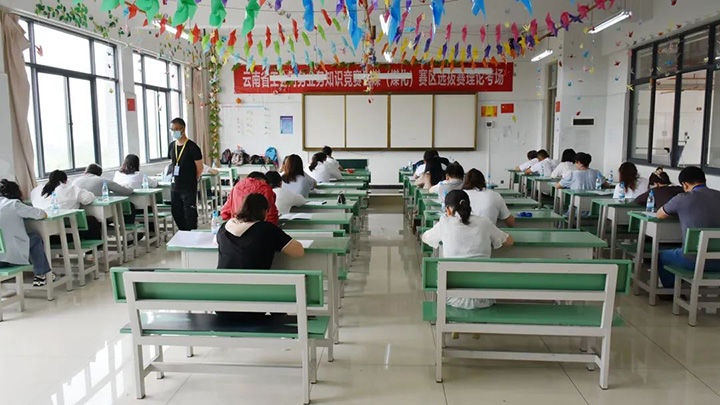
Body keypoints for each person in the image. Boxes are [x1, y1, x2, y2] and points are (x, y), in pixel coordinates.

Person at [216, 193, 304, 321]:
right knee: (276, 290)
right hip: (254, 305)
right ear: (264, 212)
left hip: (222, 302)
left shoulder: (224, 228)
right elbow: (298, 251)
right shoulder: (267, 229)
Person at [422, 190, 514, 310]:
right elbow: (509, 241)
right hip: (485, 298)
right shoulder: (484, 222)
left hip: (452, 298)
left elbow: (425, 237)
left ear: (448, 209)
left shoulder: (444, 224)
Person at [656, 166, 720, 287]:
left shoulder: (682, 199)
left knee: (662, 256)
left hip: (693, 260)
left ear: (685, 185)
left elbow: (660, 214)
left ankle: (671, 292)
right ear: (704, 180)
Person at [0, 179, 54, 287]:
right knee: (35, 239)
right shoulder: (14, 204)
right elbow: (41, 214)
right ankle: (40, 274)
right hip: (11, 256)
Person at [30, 170, 101, 240]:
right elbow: (87, 199)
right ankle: (94, 247)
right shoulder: (70, 189)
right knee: (91, 221)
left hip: (42, 236)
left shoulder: (36, 190)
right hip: (64, 235)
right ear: (65, 181)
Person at [167, 117, 203, 231]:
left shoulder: (192, 147)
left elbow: (200, 168)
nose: (174, 132)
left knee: (189, 211)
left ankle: (191, 232)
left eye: (176, 129)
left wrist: (192, 179)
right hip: (175, 185)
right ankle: (183, 231)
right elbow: (172, 163)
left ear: (183, 129)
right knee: (176, 211)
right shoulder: (172, 146)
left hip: (188, 185)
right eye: (172, 129)